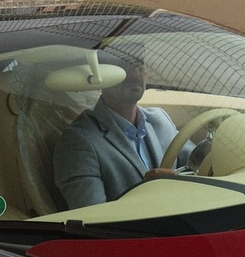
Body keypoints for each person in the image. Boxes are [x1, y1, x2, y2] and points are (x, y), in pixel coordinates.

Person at [52, 51, 180, 209]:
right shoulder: (77, 143)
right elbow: (93, 217)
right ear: (99, 76)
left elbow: (199, 161)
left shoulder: (160, 119)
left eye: (139, 62)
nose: (135, 73)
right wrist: (145, 195)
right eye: (121, 64)